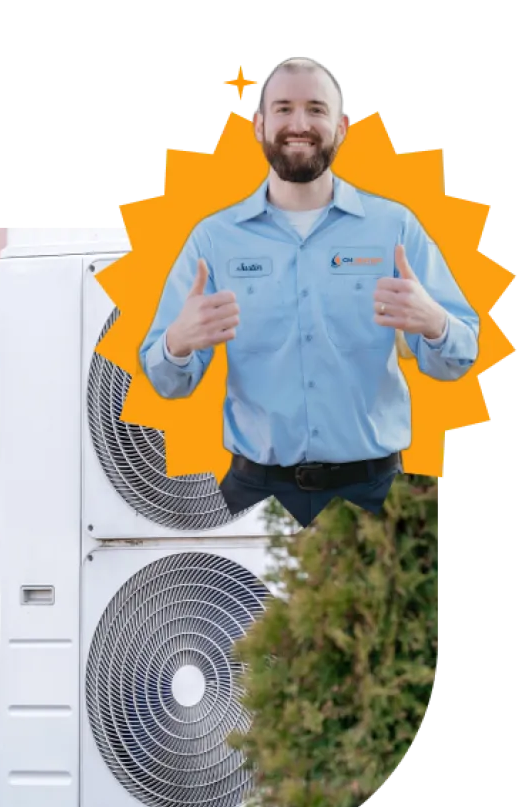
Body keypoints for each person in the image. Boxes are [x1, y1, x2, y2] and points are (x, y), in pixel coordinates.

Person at [140, 56, 479, 527]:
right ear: (258, 124)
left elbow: (456, 362)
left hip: (375, 494)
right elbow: (167, 382)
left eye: (316, 110)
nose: (299, 125)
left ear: (341, 127)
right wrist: (176, 345)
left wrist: (438, 325)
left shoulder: (395, 228)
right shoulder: (212, 240)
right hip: (252, 496)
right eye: (282, 109)